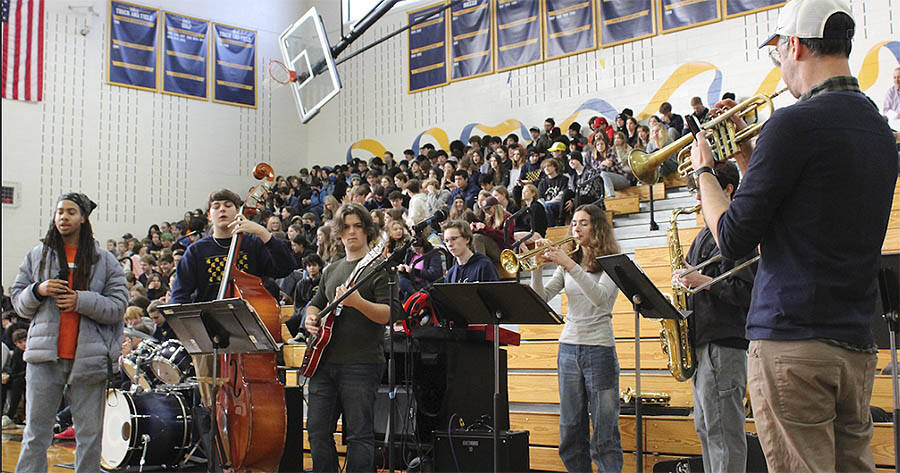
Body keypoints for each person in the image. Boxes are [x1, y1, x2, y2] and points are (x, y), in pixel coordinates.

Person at [691, 1, 897, 470]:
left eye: (778, 51)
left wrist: (705, 169)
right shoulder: (879, 131)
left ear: (795, 46)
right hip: (854, 342)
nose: (780, 65)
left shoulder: (792, 123)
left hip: (792, 341)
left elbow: (734, 238)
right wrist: (748, 160)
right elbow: (794, 226)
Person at [169, 188, 296, 470]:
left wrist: (263, 232)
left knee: (250, 405)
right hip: (208, 340)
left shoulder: (251, 244)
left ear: (238, 211)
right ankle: (218, 460)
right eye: (217, 205)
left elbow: (286, 266)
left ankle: (250, 455)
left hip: (249, 338)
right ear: (210, 214)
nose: (223, 209)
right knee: (210, 406)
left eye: (229, 204)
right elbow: (179, 297)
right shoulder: (197, 252)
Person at [10, 193, 128, 473]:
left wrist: (80, 301)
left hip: (89, 360)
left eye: (71, 212)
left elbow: (118, 306)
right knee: (35, 434)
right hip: (43, 359)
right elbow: (18, 302)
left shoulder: (105, 260)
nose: (63, 216)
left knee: (89, 437)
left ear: (84, 217)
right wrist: (38, 290)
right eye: (60, 211)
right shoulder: (37, 255)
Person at [673, 162, 756, 473]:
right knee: (706, 428)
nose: (697, 196)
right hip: (702, 343)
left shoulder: (736, 233)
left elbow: (746, 291)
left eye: (703, 188)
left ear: (728, 190)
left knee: (724, 433)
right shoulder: (703, 235)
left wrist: (702, 282)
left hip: (725, 343)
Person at [528, 204, 623, 472]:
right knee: (570, 428)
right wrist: (537, 267)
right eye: (573, 223)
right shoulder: (570, 261)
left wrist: (569, 264)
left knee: (605, 432)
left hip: (599, 349)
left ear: (598, 228)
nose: (576, 228)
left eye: (583, 223)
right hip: (568, 348)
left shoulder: (611, 261)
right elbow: (542, 298)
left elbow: (600, 298)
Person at [304, 203, 390, 473]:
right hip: (323, 363)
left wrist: (358, 302)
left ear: (367, 231)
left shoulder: (380, 269)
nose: (351, 232)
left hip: (361, 364)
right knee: (317, 432)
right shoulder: (331, 270)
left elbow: (389, 314)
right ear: (338, 233)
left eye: (357, 226)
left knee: (359, 436)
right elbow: (315, 303)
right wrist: (310, 317)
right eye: (346, 227)